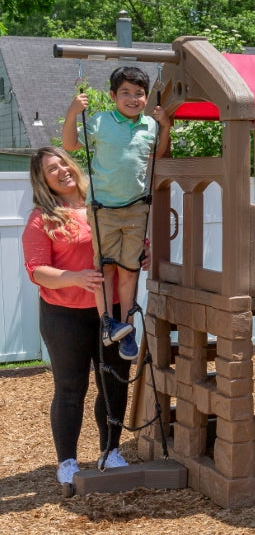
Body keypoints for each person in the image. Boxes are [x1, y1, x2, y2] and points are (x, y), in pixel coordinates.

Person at [21, 146, 134, 496]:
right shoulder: (42, 218)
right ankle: (67, 462)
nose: (61, 172)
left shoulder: (103, 204)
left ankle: (111, 451)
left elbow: (125, 240)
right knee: (71, 390)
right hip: (64, 315)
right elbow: (37, 271)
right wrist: (75, 277)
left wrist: (136, 252)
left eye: (62, 164)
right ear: (43, 181)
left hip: (111, 310)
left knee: (113, 381)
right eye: (50, 170)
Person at [62, 65, 169, 362]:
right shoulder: (100, 121)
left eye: (138, 94)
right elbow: (70, 145)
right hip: (104, 209)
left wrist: (166, 126)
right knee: (106, 267)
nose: (132, 99)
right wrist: (73, 113)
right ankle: (108, 323)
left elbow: (157, 154)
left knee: (130, 269)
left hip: (136, 208)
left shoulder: (149, 125)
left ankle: (128, 328)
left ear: (146, 98)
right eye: (125, 93)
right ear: (113, 96)